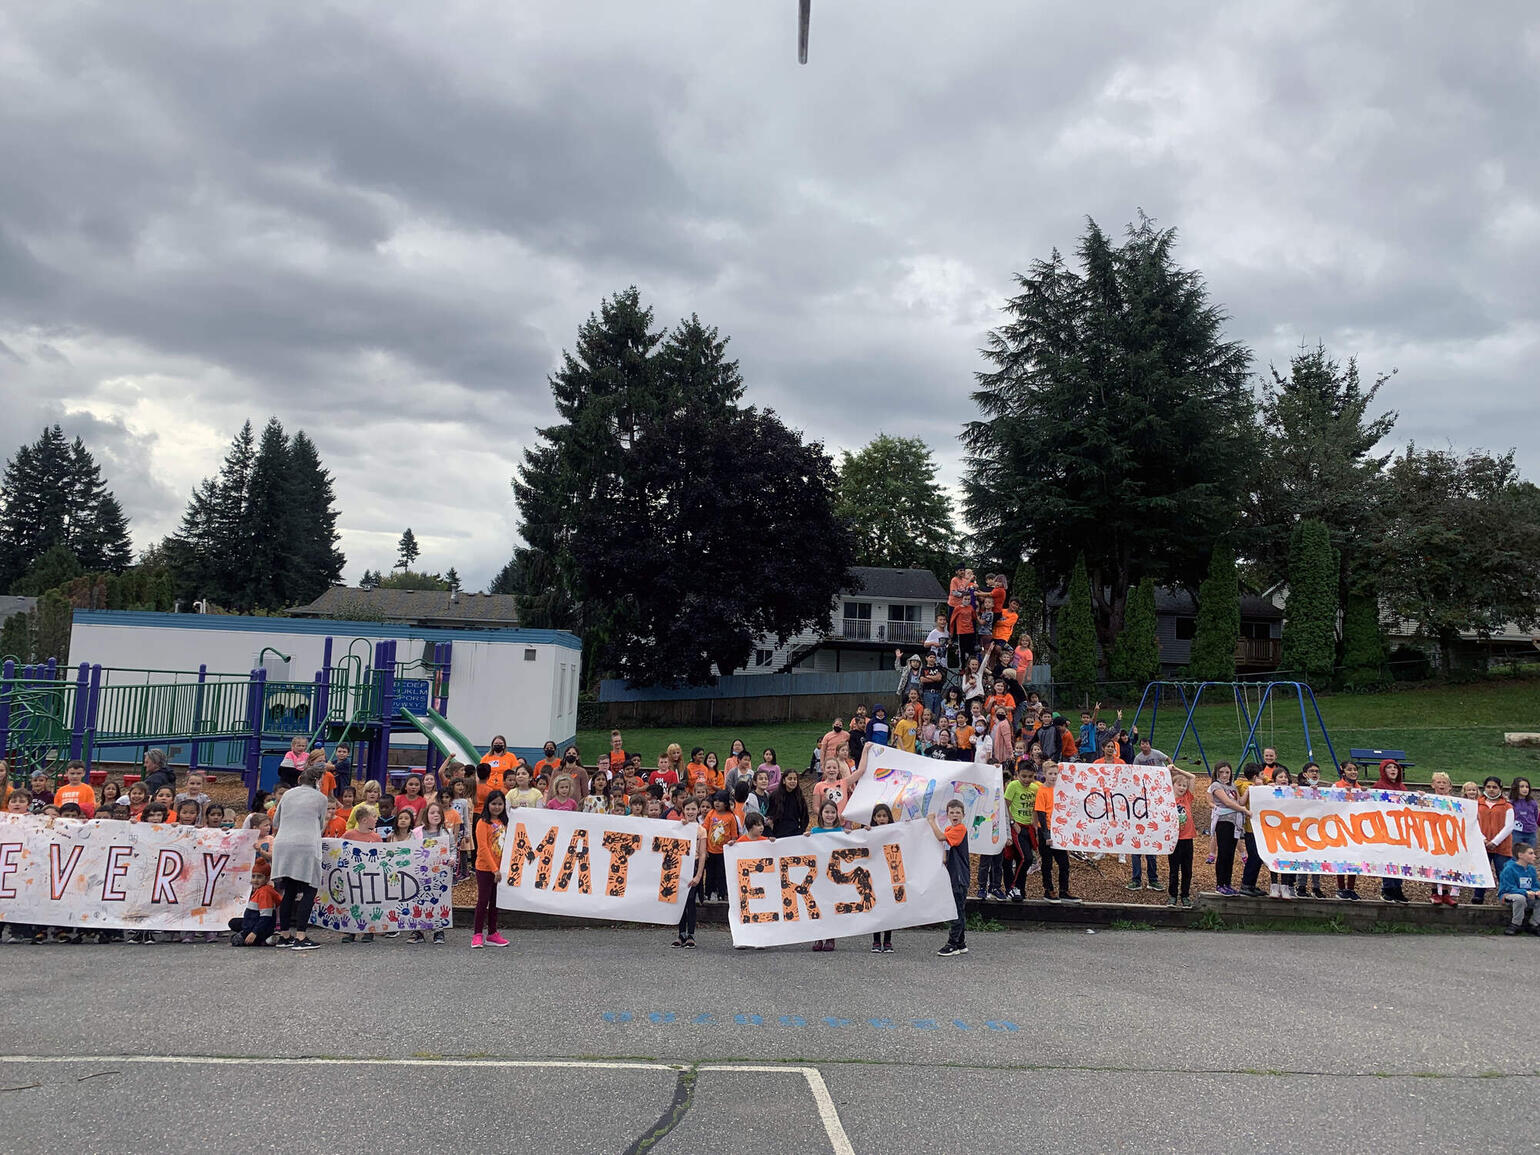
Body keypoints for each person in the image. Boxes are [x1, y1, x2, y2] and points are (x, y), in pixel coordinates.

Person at [269, 763, 327, 951]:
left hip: (283, 843)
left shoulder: (287, 794)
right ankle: (301, 936)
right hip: (306, 844)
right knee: (310, 889)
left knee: (290, 889)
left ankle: (285, 935)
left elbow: (276, 820)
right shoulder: (321, 798)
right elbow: (320, 824)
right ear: (318, 780)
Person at [931, 800, 972, 956]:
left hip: (959, 876)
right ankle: (961, 942)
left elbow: (940, 837)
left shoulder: (960, 829)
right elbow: (945, 847)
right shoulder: (950, 829)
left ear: (963, 815)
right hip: (953, 874)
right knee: (958, 909)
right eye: (952, 812)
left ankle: (952, 943)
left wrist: (931, 822)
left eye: (958, 812)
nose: (955, 815)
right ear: (948, 815)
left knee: (956, 911)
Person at [472, 791, 511, 948]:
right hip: (485, 869)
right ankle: (477, 934)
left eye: (500, 804)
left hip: (501, 870)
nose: (496, 807)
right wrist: (494, 869)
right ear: (488, 804)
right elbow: (483, 848)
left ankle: (492, 933)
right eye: (493, 803)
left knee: (496, 902)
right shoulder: (483, 823)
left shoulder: (505, 823)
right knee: (483, 901)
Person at [807, 800, 845, 952]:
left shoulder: (841, 832)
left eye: (833, 812)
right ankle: (818, 936)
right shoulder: (814, 831)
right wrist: (805, 839)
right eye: (827, 812)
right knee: (818, 904)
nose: (830, 815)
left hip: (834, 875)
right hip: (818, 875)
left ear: (837, 814)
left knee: (831, 905)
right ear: (821, 813)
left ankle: (830, 937)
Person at [1035, 764, 1074, 902]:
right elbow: (1041, 814)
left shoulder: (1060, 789)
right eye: (1050, 773)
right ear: (1045, 774)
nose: (1053, 776)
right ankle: (1048, 889)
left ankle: (1064, 890)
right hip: (1046, 830)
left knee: (1064, 863)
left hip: (1058, 830)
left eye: (1055, 774)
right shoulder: (1042, 790)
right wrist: (1046, 835)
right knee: (1047, 863)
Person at [863, 803, 899, 953]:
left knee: (889, 908)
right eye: (879, 816)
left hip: (890, 875)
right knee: (876, 907)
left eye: (884, 816)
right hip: (875, 875)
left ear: (889, 817)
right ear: (874, 818)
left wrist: (908, 827)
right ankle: (876, 940)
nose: (882, 818)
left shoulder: (894, 831)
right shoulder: (869, 832)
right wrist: (865, 833)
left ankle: (888, 940)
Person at [672, 798, 706, 949]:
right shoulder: (679, 827)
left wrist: (698, 875)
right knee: (680, 901)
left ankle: (691, 935)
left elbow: (703, 854)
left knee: (690, 900)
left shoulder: (701, 830)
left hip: (694, 865)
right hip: (680, 865)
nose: (690, 812)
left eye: (693, 809)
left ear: (698, 810)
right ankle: (681, 934)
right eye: (688, 809)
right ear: (683, 810)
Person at [1475, 775, 1514, 907]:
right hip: (1482, 844)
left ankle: (1505, 897)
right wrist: (1483, 839)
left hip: (1502, 846)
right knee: (1481, 871)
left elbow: (1509, 826)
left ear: (1500, 789)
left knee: (1502, 872)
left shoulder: (1507, 806)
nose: (1491, 790)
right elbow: (1473, 823)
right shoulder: (1477, 804)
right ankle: (1478, 896)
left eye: (1495, 787)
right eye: (1488, 787)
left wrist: (1495, 842)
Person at [1207, 763, 1246, 896]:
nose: (1224, 775)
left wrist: (1249, 790)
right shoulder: (1216, 786)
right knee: (1223, 853)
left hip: (1234, 822)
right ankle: (1220, 884)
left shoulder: (1232, 786)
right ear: (1217, 773)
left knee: (1230, 854)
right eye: (1222, 772)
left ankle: (1227, 883)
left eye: (1227, 772)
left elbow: (1239, 801)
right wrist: (1245, 811)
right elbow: (1227, 802)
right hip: (1223, 822)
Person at [1003, 762, 1038, 902]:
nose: (1027, 779)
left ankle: (1020, 889)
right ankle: (1014, 887)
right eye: (1023, 776)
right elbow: (1005, 805)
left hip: (1028, 827)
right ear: (1017, 775)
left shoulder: (1035, 788)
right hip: (1016, 827)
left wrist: (1035, 826)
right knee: (1026, 858)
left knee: (1020, 859)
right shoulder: (1013, 786)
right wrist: (1012, 822)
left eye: (1030, 776)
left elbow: (1034, 809)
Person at [1235, 764, 1269, 898]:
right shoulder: (1247, 787)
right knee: (1254, 856)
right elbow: (1243, 799)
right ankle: (1246, 884)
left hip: (1258, 828)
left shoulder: (1257, 785)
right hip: (1251, 828)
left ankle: (1251, 884)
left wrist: (1264, 781)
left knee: (1258, 857)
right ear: (1255, 777)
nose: (1265, 777)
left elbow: (1267, 782)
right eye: (1262, 774)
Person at [229, 862, 281, 947]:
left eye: (259, 877)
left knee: (235, 940)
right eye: (253, 876)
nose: (255, 880)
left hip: (259, 926)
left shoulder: (264, 893)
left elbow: (266, 917)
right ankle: (261, 937)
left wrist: (254, 933)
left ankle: (263, 939)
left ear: (267, 879)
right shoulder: (260, 889)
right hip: (253, 920)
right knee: (233, 922)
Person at [1167, 766, 1198, 908]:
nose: (1182, 788)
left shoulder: (1187, 798)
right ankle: (1172, 896)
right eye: (1179, 785)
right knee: (1174, 870)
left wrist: (1177, 770)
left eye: (1184, 786)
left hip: (1187, 838)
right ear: (1173, 785)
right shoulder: (1168, 798)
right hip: (1174, 839)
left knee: (1187, 870)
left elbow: (1192, 777)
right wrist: (1169, 772)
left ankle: (1185, 895)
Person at [702, 791, 741, 902]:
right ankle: (707, 893)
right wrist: (705, 849)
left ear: (726, 803)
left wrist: (732, 842)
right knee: (709, 874)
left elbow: (734, 835)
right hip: (710, 851)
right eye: (715, 801)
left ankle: (721, 894)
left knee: (721, 874)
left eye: (720, 801)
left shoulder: (731, 817)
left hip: (723, 852)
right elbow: (705, 830)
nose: (717, 803)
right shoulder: (711, 813)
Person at [1497, 844, 1540, 936]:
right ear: (1520, 855)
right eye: (1530, 853)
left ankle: (1534, 924)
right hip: (1509, 895)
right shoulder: (1509, 869)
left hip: (1528, 896)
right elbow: (1508, 887)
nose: (1534, 856)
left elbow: (1535, 885)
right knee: (1520, 898)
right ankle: (1515, 924)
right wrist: (1525, 892)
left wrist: (1536, 891)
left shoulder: (1531, 869)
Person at [767, 770, 808, 839]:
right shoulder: (775, 796)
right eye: (790, 779)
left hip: (795, 833)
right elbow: (769, 816)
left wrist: (802, 830)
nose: (793, 781)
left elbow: (804, 816)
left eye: (795, 779)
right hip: (778, 834)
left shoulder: (799, 796)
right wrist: (770, 834)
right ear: (784, 781)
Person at [1511, 778, 1537, 853]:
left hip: (1531, 833)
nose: (1525, 789)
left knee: (1530, 854)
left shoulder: (1533, 803)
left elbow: (1535, 816)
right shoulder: (1511, 803)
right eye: (1522, 786)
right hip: (1517, 832)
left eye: (1527, 787)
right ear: (1516, 788)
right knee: (1517, 854)